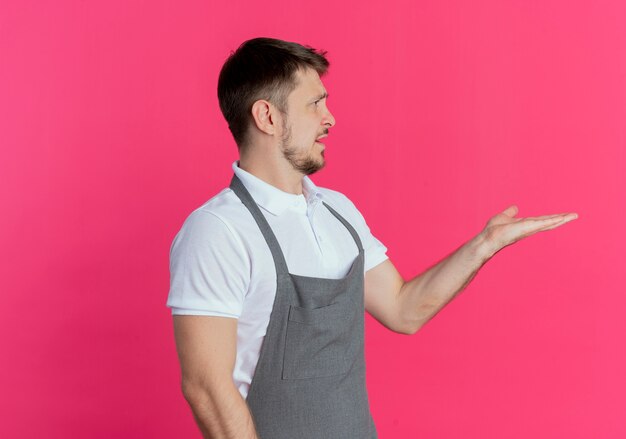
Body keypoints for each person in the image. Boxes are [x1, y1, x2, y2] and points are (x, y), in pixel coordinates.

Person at [166, 37, 578, 439]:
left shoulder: (337, 212)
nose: (330, 118)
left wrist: (484, 245)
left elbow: (404, 310)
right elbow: (206, 388)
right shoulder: (217, 231)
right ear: (267, 117)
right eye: (315, 104)